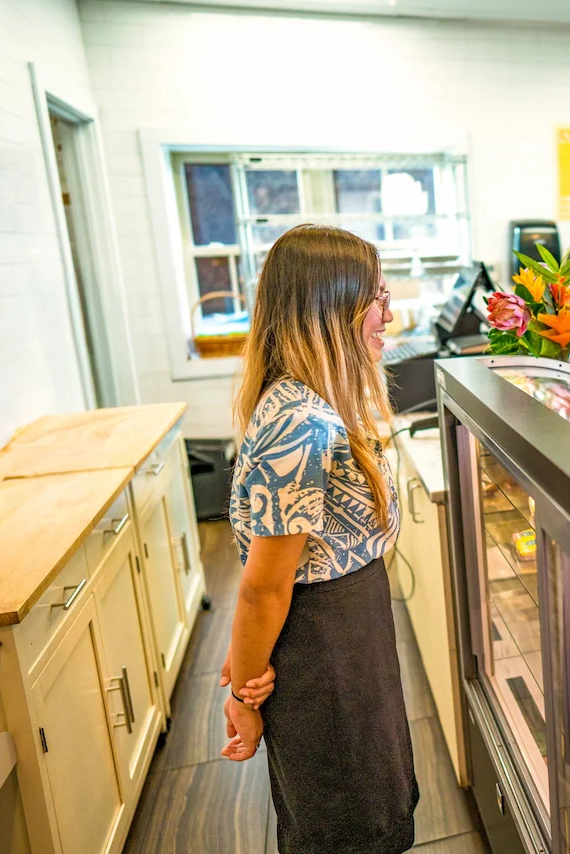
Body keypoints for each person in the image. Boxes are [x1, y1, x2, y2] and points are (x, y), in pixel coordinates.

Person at [224, 224, 418, 854]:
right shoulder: (300, 424)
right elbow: (264, 588)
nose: (389, 314)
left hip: (347, 633)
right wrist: (244, 692)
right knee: (348, 823)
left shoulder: (307, 404)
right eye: (377, 298)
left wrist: (244, 654)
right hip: (325, 653)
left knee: (376, 804)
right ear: (330, 307)